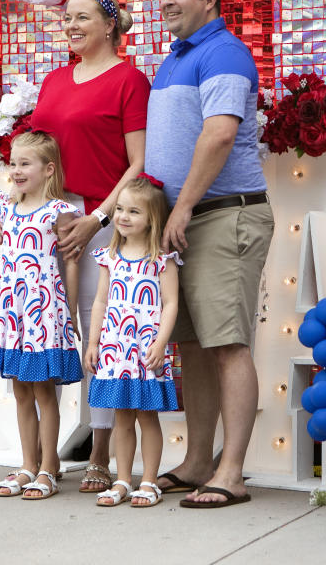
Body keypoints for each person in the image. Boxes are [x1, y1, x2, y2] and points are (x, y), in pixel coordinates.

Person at [145, 0, 274, 508]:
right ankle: (198, 461)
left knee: (227, 344)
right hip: (186, 222)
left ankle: (233, 473)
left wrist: (184, 206)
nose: (167, 0)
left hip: (224, 215)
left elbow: (220, 136)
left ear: (210, 0)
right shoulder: (175, 58)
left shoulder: (225, 53)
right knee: (193, 346)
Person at [30, 0, 150, 493]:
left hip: (103, 221)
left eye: (82, 17)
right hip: (52, 220)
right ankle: (44, 457)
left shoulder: (129, 80)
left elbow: (141, 163)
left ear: (109, 25)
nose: (71, 26)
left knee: (99, 332)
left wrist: (97, 219)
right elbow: (38, 152)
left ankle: (101, 452)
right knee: (51, 329)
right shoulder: (55, 80)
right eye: (67, 18)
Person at [0, 132, 82, 500]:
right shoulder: (3, 206)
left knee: (44, 391)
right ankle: (27, 464)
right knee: (21, 391)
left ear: (48, 168)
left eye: (25, 163)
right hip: (12, 310)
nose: (17, 170)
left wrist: (68, 310)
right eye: (14, 163)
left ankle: (48, 467)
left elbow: (70, 262)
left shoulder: (60, 211)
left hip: (44, 310)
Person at [85, 175, 182, 508]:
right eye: (121, 209)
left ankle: (150, 481)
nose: (123, 217)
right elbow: (100, 301)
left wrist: (161, 342)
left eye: (133, 212)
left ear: (152, 219)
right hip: (116, 350)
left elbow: (171, 303)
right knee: (121, 416)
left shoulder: (162, 259)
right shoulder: (108, 256)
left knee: (146, 416)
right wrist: (94, 342)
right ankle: (123, 479)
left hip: (146, 350)